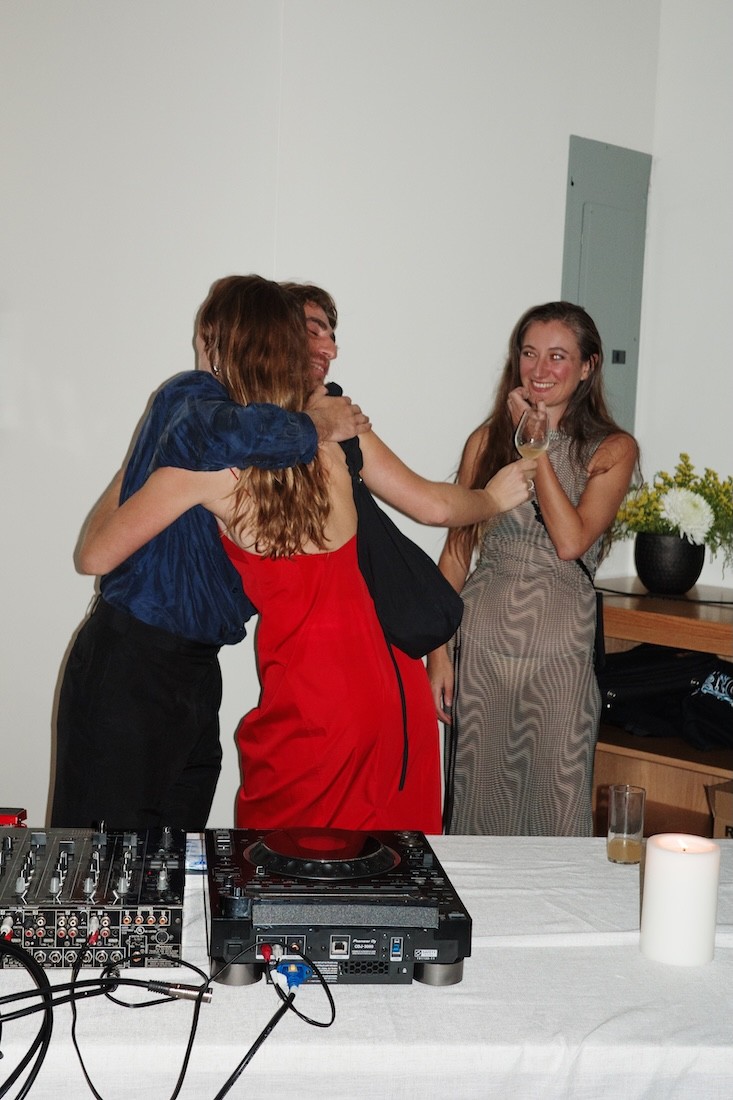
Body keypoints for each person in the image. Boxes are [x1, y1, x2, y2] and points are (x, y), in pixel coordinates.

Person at [81, 274, 537, 834]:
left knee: (274, 865)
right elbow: (433, 505)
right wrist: (491, 498)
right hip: (383, 685)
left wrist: (144, 455)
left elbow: (94, 555)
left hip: (307, 697)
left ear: (219, 343)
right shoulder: (337, 443)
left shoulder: (201, 468)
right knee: (385, 864)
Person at [50, 286, 369, 832]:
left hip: (195, 673)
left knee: (175, 863)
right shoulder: (194, 397)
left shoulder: (259, 434)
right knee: (102, 864)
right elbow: (96, 554)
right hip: (132, 663)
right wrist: (318, 424)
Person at [427, 301, 638, 836]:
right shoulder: (485, 442)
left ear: (587, 367)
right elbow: (456, 554)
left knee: (558, 803)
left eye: (558, 356)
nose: (540, 369)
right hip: (483, 642)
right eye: (529, 353)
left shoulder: (613, 449)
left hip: (560, 650)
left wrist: (535, 447)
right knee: (477, 803)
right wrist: (438, 653)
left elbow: (571, 542)